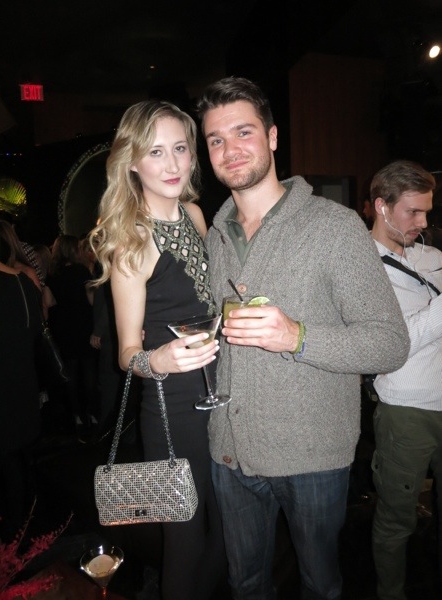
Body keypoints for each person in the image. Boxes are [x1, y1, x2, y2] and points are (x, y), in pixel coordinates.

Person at [195, 76, 410, 600]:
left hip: (312, 456)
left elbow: (390, 343)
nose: (229, 149)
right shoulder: (216, 235)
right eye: (216, 139)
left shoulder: (334, 227)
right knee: (245, 584)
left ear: (272, 137)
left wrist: (297, 336)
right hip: (230, 452)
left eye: (243, 132)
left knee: (320, 585)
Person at [90, 99, 226, 600]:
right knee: (186, 539)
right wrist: (159, 360)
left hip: (220, 392)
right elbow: (126, 352)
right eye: (155, 152)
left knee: (226, 527)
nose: (172, 164)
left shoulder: (195, 213)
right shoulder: (131, 239)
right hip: (174, 408)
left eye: (180, 149)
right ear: (132, 162)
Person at [369, 159, 442, 600]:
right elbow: (392, 345)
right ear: (382, 206)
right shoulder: (361, 268)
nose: (423, 222)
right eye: (413, 212)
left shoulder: (432, 257)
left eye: (427, 212)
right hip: (407, 410)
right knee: (398, 518)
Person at [0, 222, 43, 542]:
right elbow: (36, 329)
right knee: (21, 457)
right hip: (22, 380)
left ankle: (9, 537)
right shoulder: (23, 282)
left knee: (3, 462)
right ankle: (25, 529)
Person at [44, 234, 97, 439]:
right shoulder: (81, 271)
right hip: (83, 325)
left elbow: (48, 302)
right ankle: (91, 413)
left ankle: (76, 416)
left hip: (64, 328)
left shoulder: (53, 274)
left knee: (71, 373)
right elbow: (91, 300)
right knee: (89, 371)